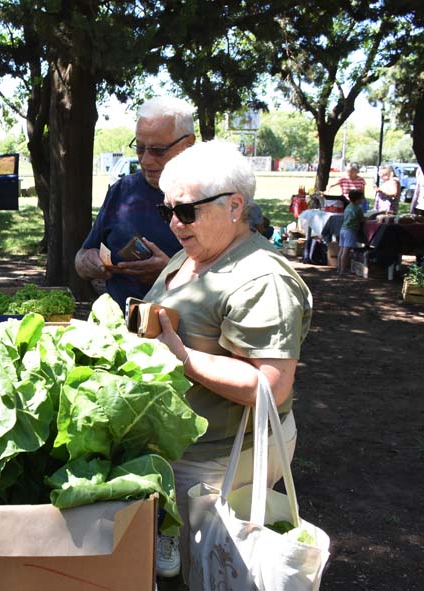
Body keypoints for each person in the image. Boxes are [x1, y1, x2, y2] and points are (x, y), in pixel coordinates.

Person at [144, 140, 313, 583]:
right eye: (167, 212)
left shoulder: (263, 280)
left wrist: (179, 356)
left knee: (217, 571)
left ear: (235, 206)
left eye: (185, 212)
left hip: (220, 460)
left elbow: (271, 387)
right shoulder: (195, 254)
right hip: (189, 453)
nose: (175, 224)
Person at [75, 97, 194, 309]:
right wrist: (87, 262)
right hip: (118, 331)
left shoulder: (215, 198)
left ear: (188, 144)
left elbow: (234, 280)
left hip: (182, 332)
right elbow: (82, 256)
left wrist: (168, 274)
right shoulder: (122, 190)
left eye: (158, 150)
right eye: (139, 148)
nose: (146, 160)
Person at [337, 189, 366, 275]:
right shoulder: (358, 209)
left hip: (343, 229)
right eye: (362, 198)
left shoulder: (348, 206)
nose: (363, 200)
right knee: (346, 251)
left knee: (341, 250)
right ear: (358, 200)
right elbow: (362, 220)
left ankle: (339, 268)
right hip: (350, 230)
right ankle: (343, 270)